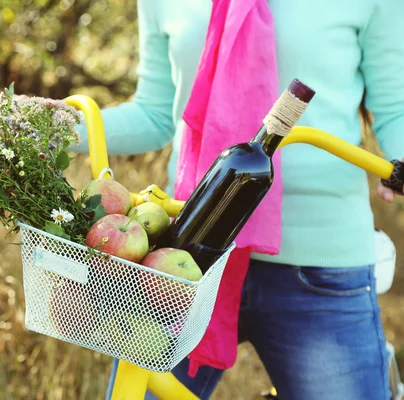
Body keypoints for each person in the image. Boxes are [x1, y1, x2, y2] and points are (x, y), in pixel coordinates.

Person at [68, 0, 404, 399]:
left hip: (319, 265)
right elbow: (155, 114)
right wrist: (50, 125)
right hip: (186, 257)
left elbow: (395, 105)